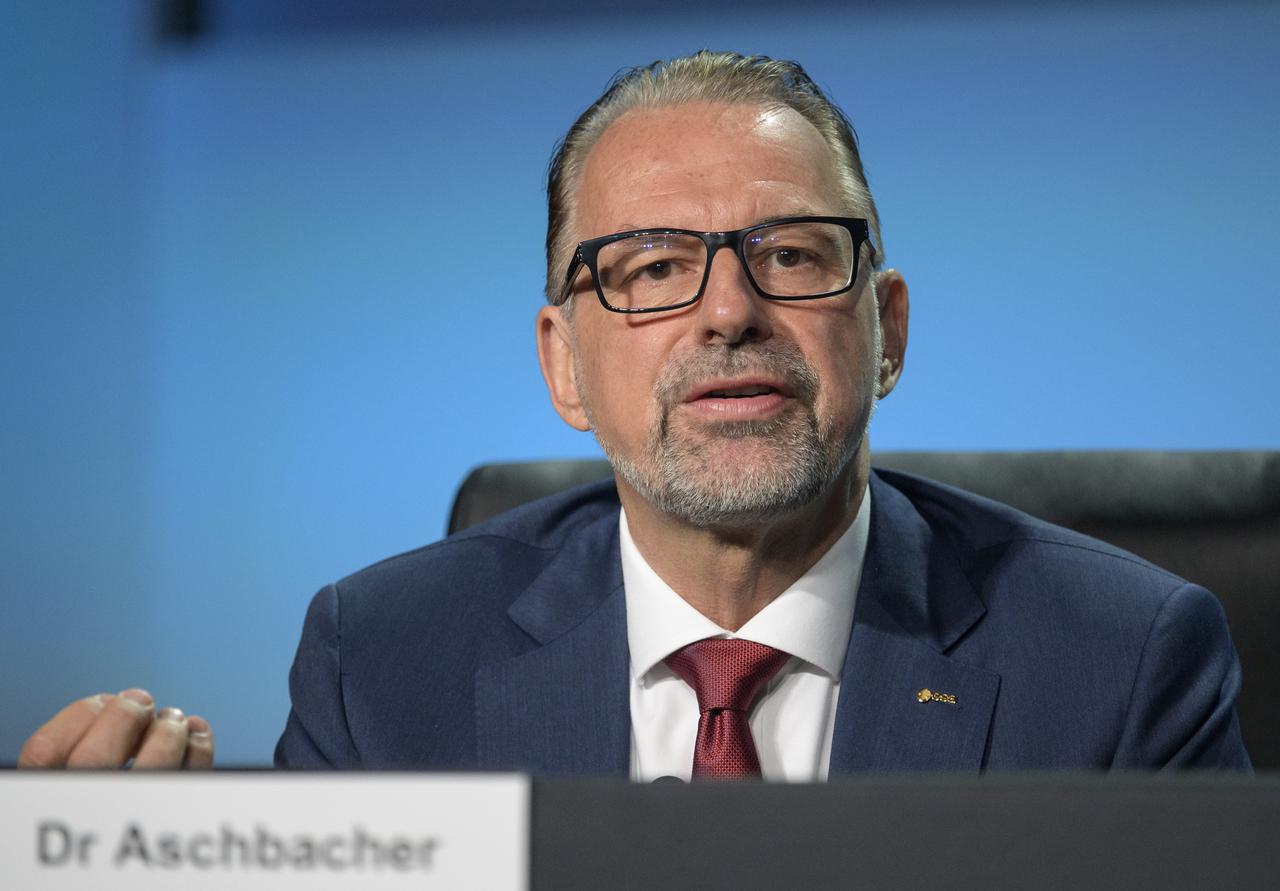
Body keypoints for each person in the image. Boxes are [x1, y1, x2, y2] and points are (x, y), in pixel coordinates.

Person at [20, 51, 1250, 777]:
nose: (727, 312)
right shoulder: (383, 663)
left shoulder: (1120, 662)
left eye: (789, 253)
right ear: (563, 366)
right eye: (652, 268)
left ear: (886, 332)